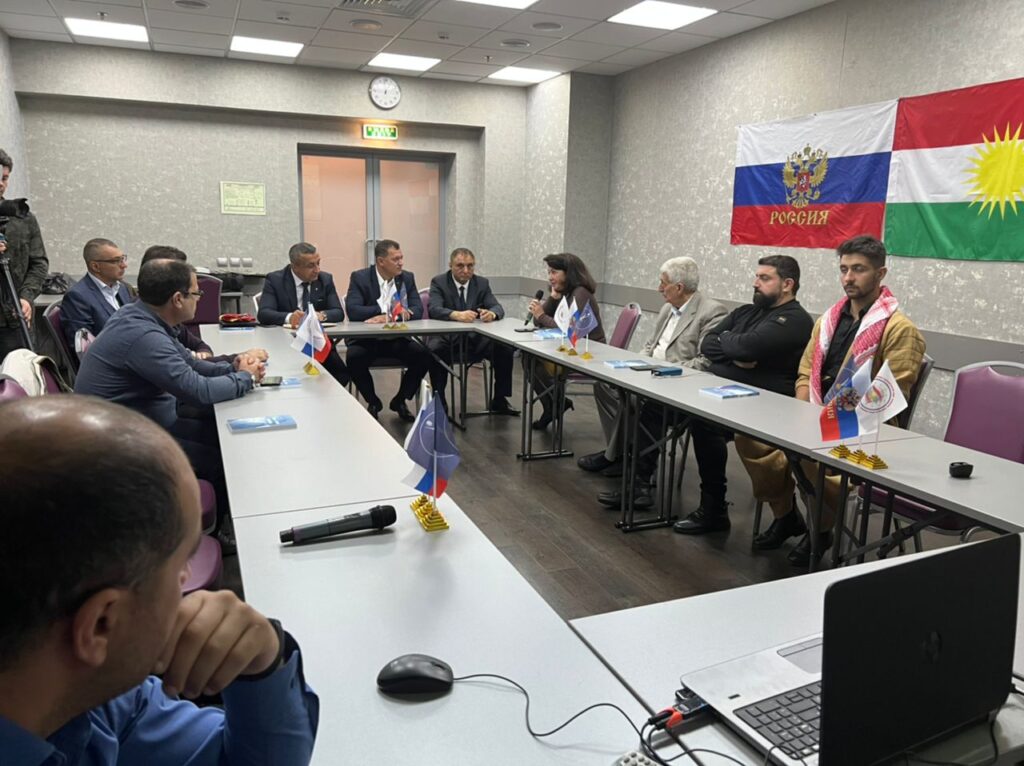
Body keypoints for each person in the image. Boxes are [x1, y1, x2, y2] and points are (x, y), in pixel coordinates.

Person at [0, 396, 319, 765]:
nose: (187, 582)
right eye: (181, 565)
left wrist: (264, 664)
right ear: (102, 623)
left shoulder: (100, 699)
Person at [736, 236, 925, 566]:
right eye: (844, 269)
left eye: (858, 269)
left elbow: (887, 394)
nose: (848, 277)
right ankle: (785, 516)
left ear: (880, 273)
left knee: (813, 456)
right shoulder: (829, 319)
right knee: (749, 436)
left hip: (866, 429)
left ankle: (820, 531)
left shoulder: (900, 329)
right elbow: (805, 372)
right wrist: (805, 414)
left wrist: (826, 423)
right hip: (814, 414)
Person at [74, 259, 263, 532]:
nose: (199, 298)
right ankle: (211, 535)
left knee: (220, 433)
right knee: (219, 459)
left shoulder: (141, 316)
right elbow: (199, 391)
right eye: (196, 292)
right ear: (177, 299)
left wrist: (233, 367)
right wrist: (245, 377)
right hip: (120, 443)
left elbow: (191, 365)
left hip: (142, 420)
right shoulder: (143, 335)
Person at [669, 255, 814, 534]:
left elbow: (746, 348)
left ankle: (714, 509)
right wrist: (735, 352)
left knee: (705, 425)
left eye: (764, 278)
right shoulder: (746, 312)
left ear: (787, 284)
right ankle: (637, 479)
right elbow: (708, 343)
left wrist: (732, 347)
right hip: (730, 399)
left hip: (768, 408)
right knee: (668, 410)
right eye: (756, 276)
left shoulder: (795, 320)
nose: (755, 283)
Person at [580, 257, 727, 481]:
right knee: (606, 386)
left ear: (679, 287)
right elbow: (651, 346)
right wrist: (635, 364)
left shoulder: (712, 312)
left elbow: (704, 362)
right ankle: (620, 453)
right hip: (649, 375)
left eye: (663, 283)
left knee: (635, 400)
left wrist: (661, 370)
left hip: (678, 384)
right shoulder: (668, 308)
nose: (659, 288)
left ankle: (623, 460)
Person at [345, 238, 430, 422]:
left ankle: (400, 400)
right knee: (353, 358)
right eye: (395, 259)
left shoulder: (407, 277)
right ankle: (373, 402)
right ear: (381, 261)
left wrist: (393, 316)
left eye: (401, 258)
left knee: (424, 355)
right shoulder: (360, 277)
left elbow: (417, 309)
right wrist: (385, 311)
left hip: (397, 339)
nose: (401, 263)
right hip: (367, 341)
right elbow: (353, 311)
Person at [427, 247, 518, 415]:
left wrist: (491, 314)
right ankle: (439, 400)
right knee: (435, 349)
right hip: (448, 338)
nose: (465, 270)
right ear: (450, 265)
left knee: (504, 348)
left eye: (470, 266)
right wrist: (456, 315)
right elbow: (434, 309)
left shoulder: (481, 283)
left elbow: (497, 307)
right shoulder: (439, 282)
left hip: (475, 339)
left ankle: (500, 399)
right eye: (460, 266)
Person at [141, 245, 267, 366]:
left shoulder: (166, 320)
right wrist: (242, 361)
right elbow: (191, 370)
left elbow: (197, 355)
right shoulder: (148, 333)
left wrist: (205, 353)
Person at [526, 252, 605, 430]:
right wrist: (553, 299)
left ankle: (554, 405)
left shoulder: (580, 293)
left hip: (588, 354)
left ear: (569, 273)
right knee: (529, 358)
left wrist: (541, 315)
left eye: (554, 272)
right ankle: (555, 404)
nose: (550, 277)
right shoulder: (567, 293)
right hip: (570, 351)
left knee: (532, 360)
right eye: (549, 272)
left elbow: (569, 330)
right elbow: (538, 322)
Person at [257, 242, 349, 386]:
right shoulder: (275, 280)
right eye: (311, 266)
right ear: (295, 267)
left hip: (317, 342)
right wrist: (289, 318)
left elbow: (338, 312)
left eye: (318, 263)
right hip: (286, 343)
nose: (317, 270)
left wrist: (322, 315)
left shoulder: (325, 279)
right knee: (297, 377)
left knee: (342, 375)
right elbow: (264, 314)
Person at [0, 148, 48, 363]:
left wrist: (26, 297)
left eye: (5, 178)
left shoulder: (23, 218)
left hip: (16, 319)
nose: (1, 183)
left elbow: (39, 263)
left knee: (22, 376)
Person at [60, 238, 133, 347]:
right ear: (95, 266)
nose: (124, 265)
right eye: (116, 261)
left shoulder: (123, 288)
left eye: (123, 259)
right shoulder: (77, 297)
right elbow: (83, 347)